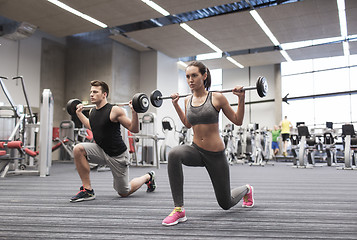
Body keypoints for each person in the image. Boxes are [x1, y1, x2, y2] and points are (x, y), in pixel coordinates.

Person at [162, 61, 254, 226]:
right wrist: (176, 105)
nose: (190, 80)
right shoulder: (187, 100)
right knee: (174, 154)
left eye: (194, 75)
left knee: (226, 203)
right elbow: (188, 124)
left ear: (204, 76)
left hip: (215, 155)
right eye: (188, 76)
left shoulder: (217, 97)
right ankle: (179, 210)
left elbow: (238, 121)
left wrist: (241, 99)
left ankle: (247, 189)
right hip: (196, 150)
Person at [70, 80, 156, 202]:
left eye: (95, 92)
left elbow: (134, 129)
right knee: (78, 149)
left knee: (124, 192)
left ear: (104, 94)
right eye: (91, 92)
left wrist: (134, 112)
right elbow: (93, 126)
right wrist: (79, 114)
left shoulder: (115, 110)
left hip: (118, 156)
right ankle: (87, 190)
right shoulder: (92, 111)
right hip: (101, 151)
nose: (91, 95)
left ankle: (148, 177)